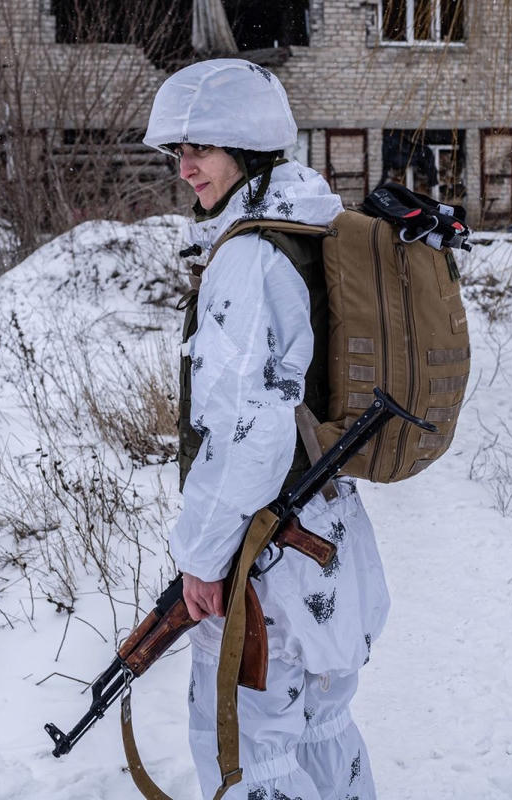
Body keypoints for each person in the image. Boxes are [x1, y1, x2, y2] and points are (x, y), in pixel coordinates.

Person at [143, 59, 389, 800]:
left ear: (248, 151)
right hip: (323, 537)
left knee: (249, 755)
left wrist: (201, 558)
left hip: (266, 559)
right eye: (177, 152)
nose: (185, 168)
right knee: (317, 728)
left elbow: (248, 429)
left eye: (202, 150)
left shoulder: (248, 258)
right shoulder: (306, 232)